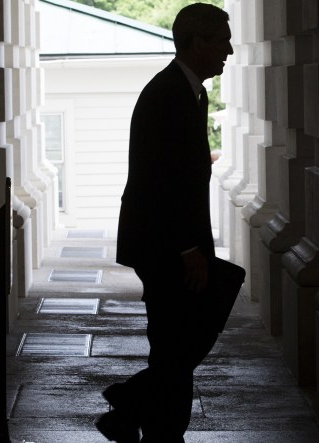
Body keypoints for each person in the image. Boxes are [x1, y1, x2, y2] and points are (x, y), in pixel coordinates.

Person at [96, 4, 234, 443]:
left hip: (174, 243)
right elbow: (160, 180)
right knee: (178, 342)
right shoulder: (169, 94)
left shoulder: (190, 92)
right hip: (167, 246)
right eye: (221, 40)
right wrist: (186, 248)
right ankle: (150, 419)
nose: (229, 50)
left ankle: (134, 411)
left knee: (181, 342)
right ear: (196, 42)